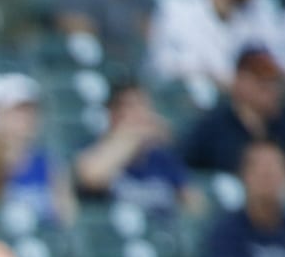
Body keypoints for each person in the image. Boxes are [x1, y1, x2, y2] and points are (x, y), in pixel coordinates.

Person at [77, 82, 197, 219]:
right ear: (112, 113)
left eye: (143, 106)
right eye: (131, 107)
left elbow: (194, 205)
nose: (140, 114)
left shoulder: (162, 157)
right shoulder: (96, 149)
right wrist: (129, 139)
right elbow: (92, 177)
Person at [181, 46, 285, 176]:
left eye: (273, 81)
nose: (269, 87)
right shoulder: (212, 127)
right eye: (261, 80)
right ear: (240, 80)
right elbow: (184, 168)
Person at [0, 74, 73, 227]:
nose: (28, 118)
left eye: (32, 111)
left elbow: (67, 217)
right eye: (19, 111)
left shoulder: (49, 164)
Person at [147, 0, 285, 89]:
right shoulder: (179, 12)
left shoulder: (252, 17)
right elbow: (169, 69)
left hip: (238, 102)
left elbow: (271, 62)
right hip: (186, 101)